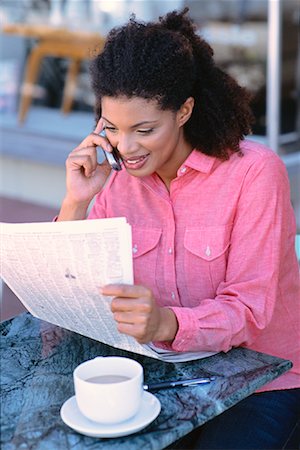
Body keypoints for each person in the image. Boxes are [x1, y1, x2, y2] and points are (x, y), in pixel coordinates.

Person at [57, 9, 300, 449]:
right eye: (111, 128)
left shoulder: (254, 174)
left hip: (261, 374)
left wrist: (166, 323)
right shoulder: (115, 179)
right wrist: (77, 200)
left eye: (144, 130)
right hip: (160, 369)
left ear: (184, 110)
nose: (126, 148)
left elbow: (248, 308)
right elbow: (70, 288)